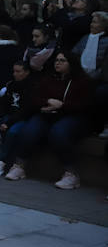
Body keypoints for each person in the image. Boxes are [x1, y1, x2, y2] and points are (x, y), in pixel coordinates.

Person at [7, 51, 93, 189]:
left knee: (58, 133)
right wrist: (47, 102)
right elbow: (34, 97)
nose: (58, 63)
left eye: (62, 60)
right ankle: (19, 166)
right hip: (47, 113)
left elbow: (84, 105)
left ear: (71, 63)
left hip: (71, 116)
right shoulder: (48, 79)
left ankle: (71, 173)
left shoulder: (82, 81)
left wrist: (62, 105)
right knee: (29, 130)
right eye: (57, 60)